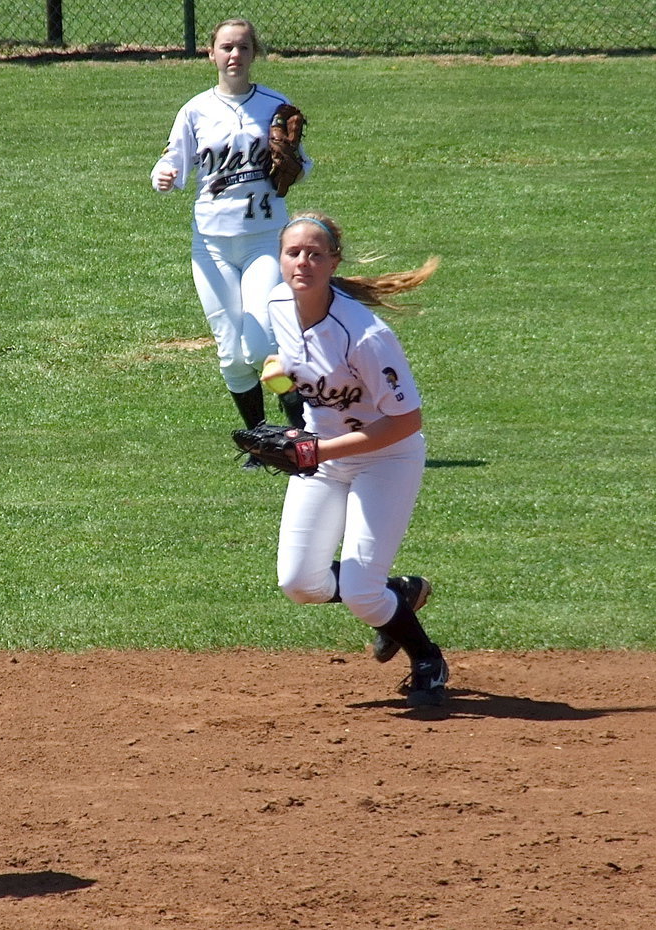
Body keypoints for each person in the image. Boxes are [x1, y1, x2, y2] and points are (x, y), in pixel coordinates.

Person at [260, 212, 448, 707]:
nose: (303, 261)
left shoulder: (365, 334)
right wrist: (281, 384)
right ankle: (399, 592)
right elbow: (301, 372)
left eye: (315, 253)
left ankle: (427, 657)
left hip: (387, 458)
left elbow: (407, 421)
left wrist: (317, 449)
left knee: (362, 593)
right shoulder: (279, 303)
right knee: (300, 583)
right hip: (321, 455)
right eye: (294, 252)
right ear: (280, 259)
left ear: (334, 261)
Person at [151, 18, 312, 465]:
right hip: (212, 246)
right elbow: (172, 164)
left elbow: (304, 165)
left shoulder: (276, 106)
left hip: (263, 240)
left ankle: (300, 426)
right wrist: (162, 176)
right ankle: (263, 441)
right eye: (226, 47)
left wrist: (294, 163)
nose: (234, 55)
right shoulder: (195, 110)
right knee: (230, 352)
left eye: (242, 47)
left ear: (253, 54)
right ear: (212, 54)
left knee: (258, 347)